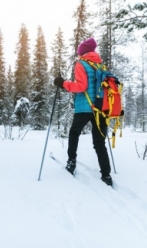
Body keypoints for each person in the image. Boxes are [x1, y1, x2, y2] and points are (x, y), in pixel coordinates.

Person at [53, 38, 112, 186]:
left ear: (82, 52)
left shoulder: (81, 64)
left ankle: (71, 162)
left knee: (74, 133)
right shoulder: (100, 65)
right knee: (100, 142)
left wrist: (63, 83)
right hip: (101, 108)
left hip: (84, 107)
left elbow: (81, 86)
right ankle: (106, 176)